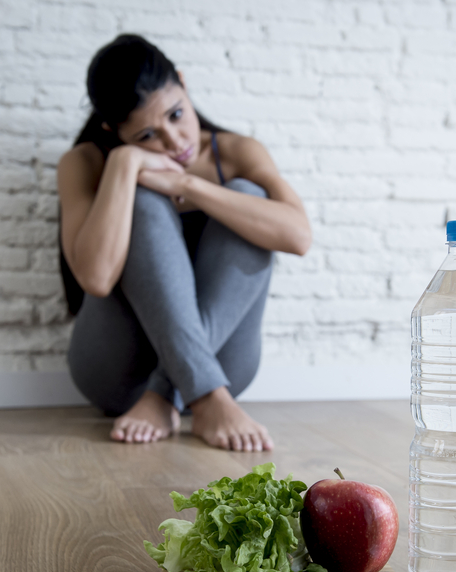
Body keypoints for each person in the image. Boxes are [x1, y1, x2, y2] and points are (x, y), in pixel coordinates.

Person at [57, 34, 310, 452]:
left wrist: (187, 185)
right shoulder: (85, 161)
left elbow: (298, 237)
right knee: (142, 199)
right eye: (146, 136)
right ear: (112, 131)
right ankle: (196, 393)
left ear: (183, 83)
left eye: (176, 114)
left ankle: (173, 393)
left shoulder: (236, 152)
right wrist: (124, 165)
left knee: (249, 196)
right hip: (118, 374)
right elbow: (96, 278)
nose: (175, 142)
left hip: (225, 366)